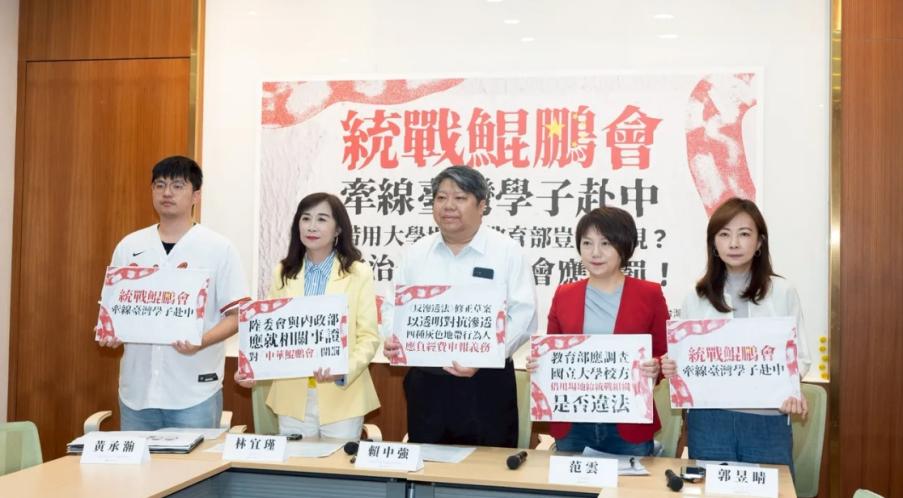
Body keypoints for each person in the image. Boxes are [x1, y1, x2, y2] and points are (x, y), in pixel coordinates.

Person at [383, 166, 537, 448]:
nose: (448, 206)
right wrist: (393, 337)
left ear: (482, 205)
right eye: (441, 197)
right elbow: (394, 304)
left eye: (460, 198)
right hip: (427, 383)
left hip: (486, 383)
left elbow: (523, 314)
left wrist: (485, 356)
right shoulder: (416, 253)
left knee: (488, 467)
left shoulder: (506, 251)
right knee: (428, 465)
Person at [97, 155, 249, 430]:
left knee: (196, 461)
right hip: (137, 393)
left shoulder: (218, 248)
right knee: (139, 461)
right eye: (160, 185)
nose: (167, 193)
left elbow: (238, 316)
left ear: (196, 196)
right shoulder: (129, 246)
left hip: (193, 392)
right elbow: (113, 311)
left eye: (178, 186)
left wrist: (201, 340)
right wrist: (110, 333)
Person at [662, 197, 811, 470]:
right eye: (724, 234)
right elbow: (685, 358)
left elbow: (799, 356)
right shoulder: (696, 296)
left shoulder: (783, 291)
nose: (733, 243)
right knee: (711, 488)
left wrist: (790, 388)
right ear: (713, 244)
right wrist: (673, 366)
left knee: (769, 488)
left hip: (768, 419)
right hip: (709, 420)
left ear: (759, 242)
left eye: (744, 234)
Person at [235, 193, 380, 439]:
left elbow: (369, 337)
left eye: (322, 219)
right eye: (306, 218)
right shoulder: (283, 271)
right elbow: (270, 333)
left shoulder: (358, 272)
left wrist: (343, 370)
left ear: (338, 229)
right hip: (292, 396)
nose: (312, 226)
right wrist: (251, 369)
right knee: (296, 463)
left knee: (338, 463)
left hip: (342, 394)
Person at [527, 207, 667, 455]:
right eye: (587, 243)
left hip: (628, 421)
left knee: (630, 482)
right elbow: (552, 353)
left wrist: (656, 367)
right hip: (573, 422)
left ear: (625, 247)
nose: (595, 252)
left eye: (605, 243)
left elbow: (664, 354)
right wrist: (540, 365)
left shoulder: (650, 294)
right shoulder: (564, 295)